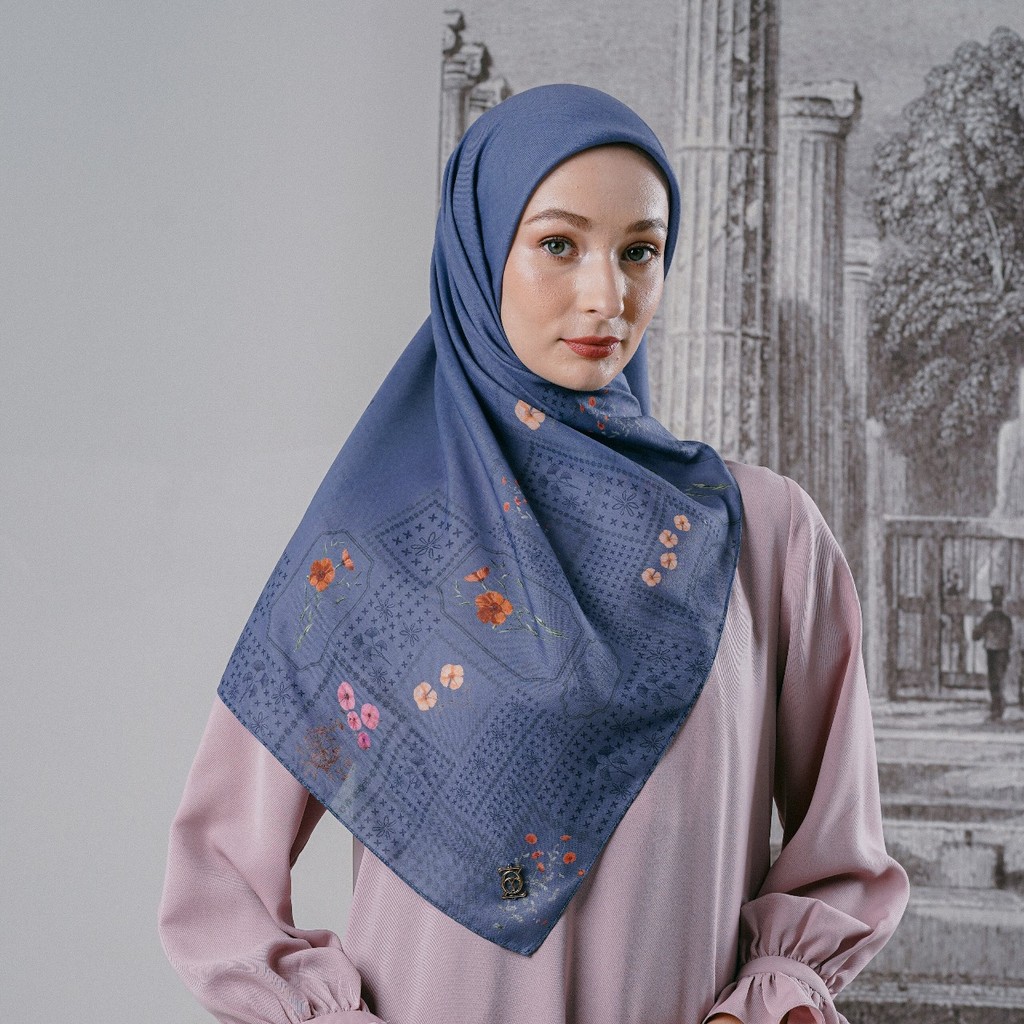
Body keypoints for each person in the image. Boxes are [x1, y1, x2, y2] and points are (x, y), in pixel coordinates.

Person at [159, 85, 909, 1024]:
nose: (608, 295)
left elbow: (842, 855)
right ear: (480, 256)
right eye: (559, 245)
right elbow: (217, 875)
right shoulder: (371, 554)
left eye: (639, 251)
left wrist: (765, 1001)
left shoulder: (764, 536)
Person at [972, 584, 1013, 720]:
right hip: (1003, 651)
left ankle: (996, 708)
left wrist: (977, 633)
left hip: (992, 651)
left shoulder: (989, 617)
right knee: (999, 679)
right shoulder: (1006, 619)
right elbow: (1010, 635)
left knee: (994, 680)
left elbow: (976, 634)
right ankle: (998, 707)